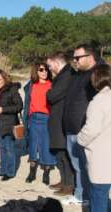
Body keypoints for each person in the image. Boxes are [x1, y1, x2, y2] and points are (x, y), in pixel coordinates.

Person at [62, 44, 99, 205]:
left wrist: (87, 127)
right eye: (74, 58)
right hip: (71, 128)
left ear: (90, 57)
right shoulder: (79, 75)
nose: (74, 61)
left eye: (78, 58)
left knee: (85, 166)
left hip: (83, 130)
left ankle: (86, 196)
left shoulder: (97, 75)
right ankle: (80, 194)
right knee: (77, 165)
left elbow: (99, 105)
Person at [77, 64, 111, 212]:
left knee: (98, 195)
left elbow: (91, 130)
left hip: (102, 158)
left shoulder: (98, 102)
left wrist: (79, 138)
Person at [46, 52, 75, 196]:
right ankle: (64, 181)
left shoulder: (67, 75)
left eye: (50, 66)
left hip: (63, 119)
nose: (50, 69)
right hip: (58, 119)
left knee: (65, 154)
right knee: (60, 154)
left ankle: (69, 185)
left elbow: (51, 96)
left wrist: (49, 92)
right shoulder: (63, 75)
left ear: (57, 63)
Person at [23, 63, 55, 185]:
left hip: (46, 118)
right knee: (33, 145)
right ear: (36, 71)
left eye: (46, 69)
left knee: (46, 146)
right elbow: (27, 103)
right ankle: (32, 172)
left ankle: (46, 173)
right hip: (33, 118)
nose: (44, 72)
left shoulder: (52, 85)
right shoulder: (31, 85)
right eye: (41, 70)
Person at [0, 69, 23, 181]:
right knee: (2, 147)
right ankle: (3, 170)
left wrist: (4, 109)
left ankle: (10, 172)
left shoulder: (12, 90)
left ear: (5, 79)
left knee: (9, 148)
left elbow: (19, 106)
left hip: (9, 123)